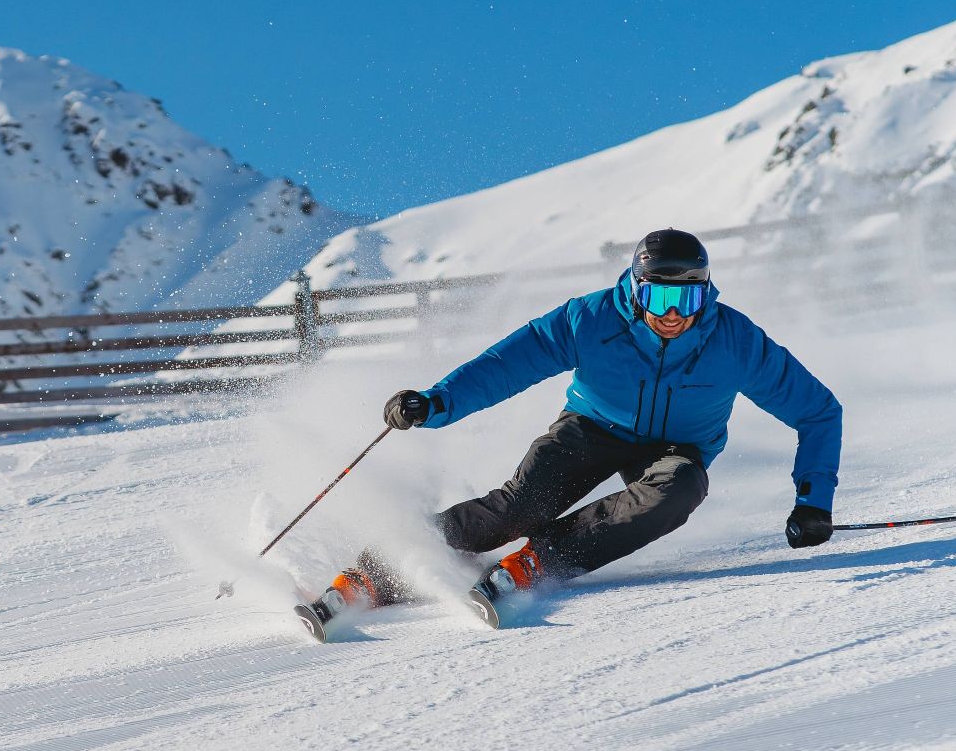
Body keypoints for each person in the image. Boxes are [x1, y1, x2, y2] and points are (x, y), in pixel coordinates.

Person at [298, 228, 843, 637]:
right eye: (659, 298)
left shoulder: (735, 339)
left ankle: (540, 560)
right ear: (636, 289)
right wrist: (437, 402)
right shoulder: (591, 319)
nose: (673, 315)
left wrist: (813, 500)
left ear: (708, 295)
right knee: (520, 507)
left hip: (678, 449)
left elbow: (818, 411)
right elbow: (509, 362)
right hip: (592, 427)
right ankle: (374, 572)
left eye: (689, 300)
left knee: (678, 492)